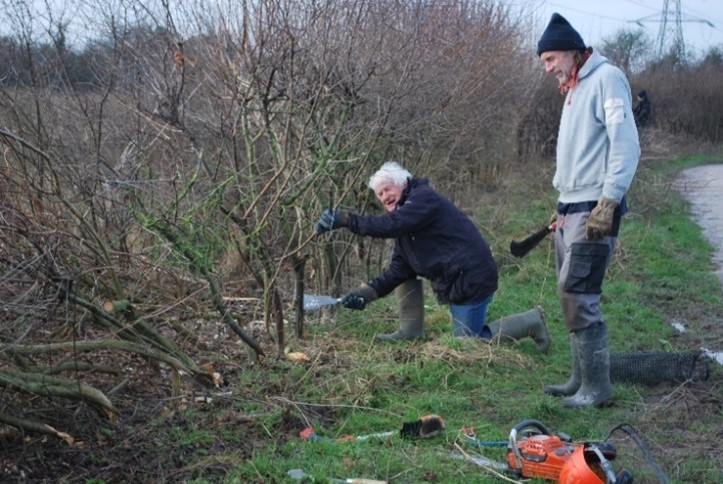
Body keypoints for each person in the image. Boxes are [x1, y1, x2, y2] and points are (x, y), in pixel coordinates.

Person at [315, 161, 550, 352]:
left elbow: (391, 225)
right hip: (455, 279)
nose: (384, 196)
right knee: (405, 274)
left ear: (403, 183)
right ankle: (410, 331)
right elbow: (399, 270)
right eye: (379, 194)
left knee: (468, 344)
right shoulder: (405, 221)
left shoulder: (422, 199)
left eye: (388, 189)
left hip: (471, 276)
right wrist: (365, 293)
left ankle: (532, 321)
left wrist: (346, 219)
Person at [536, 13, 640, 408]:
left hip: (596, 207)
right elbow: (579, 155)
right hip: (571, 207)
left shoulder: (607, 79)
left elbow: (625, 143)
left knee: (578, 292)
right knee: (569, 292)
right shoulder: (575, 87)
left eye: (550, 60)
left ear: (571, 52)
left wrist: (609, 199)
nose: (548, 69)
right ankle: (580, 378)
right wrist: (560, 205)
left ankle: (597, 389)